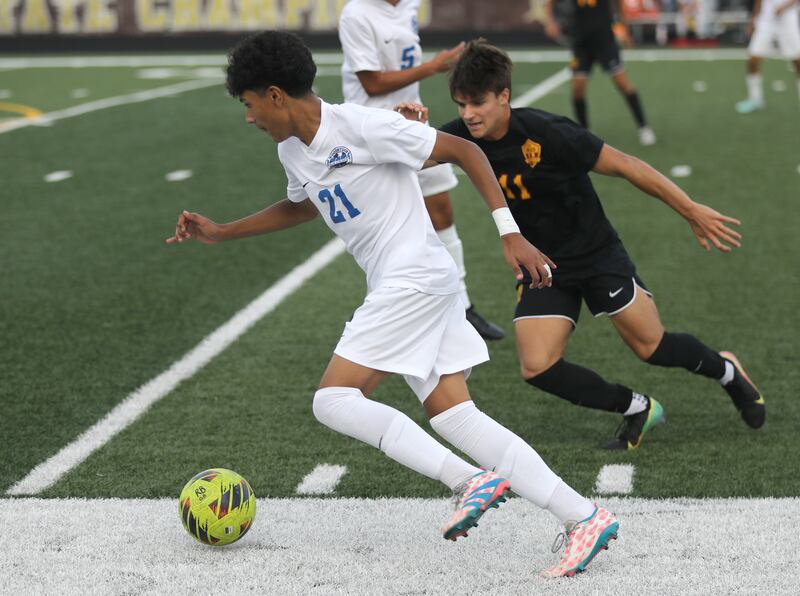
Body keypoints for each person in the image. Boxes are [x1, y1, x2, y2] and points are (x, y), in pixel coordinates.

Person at [166, 31, 618, 578]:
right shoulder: (291, 149)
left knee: (332, 400)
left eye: (249, 103)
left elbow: (467, 151)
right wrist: (223, 232)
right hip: (415, 283)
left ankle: (467, 480)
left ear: (276, 95)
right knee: (456, 416)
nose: (248, 117)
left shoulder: (362, 124)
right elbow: (304, 206)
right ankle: (583, 517)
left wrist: (509, 233)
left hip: (414, 280)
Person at [431, 39, 764, 450]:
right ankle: (637, 407)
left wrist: (690, 209)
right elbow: (410, 153)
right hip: (543, 266)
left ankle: (727, 371)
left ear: (504, 96)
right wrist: (403, 125)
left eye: (476, 103)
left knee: (652, 346)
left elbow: (627, 166)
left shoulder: (549, 133)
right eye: (460, 105)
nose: (467, 115)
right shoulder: (462, 136)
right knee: (537, 366)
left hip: (595, 254)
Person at [338, 0, 505, 340]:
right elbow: (371, 83)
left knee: (442, 212)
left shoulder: (408, 5)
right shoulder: (357, 13)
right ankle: (390, 315)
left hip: (412, 125)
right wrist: (434, 66)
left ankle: (462, 306)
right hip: (372, 134)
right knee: (389, 229)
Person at [544, 0, 657, 145]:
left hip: (604, 40)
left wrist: (624, 27)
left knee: (623, 84)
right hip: (581, 42)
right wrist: (550, 22)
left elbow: (619, 3)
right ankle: (584, 132)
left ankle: (644, 127)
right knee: (577, 89)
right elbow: (549, 3)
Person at [735, 0, 800, 113]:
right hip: (766, 19)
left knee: (797, 62)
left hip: (788, 20)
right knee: (753, 59)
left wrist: (784, 6)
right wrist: (754, 19)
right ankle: (755, 99)